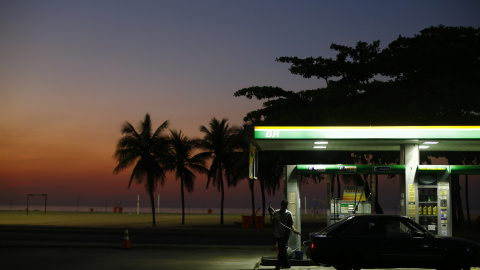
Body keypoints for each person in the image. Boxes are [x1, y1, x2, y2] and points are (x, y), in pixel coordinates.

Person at [268, 199, 298, 270]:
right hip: (277, 233)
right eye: (283, 206)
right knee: (282, 249)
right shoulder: (276, 212)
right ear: (281, 205)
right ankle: (287, 264)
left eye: (285, 206)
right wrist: (271, 215)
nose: (283, 207)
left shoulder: (288, 213)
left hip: (285, 234)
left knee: (281, 249)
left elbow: (291, 224)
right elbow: (272, 221)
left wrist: (294, 230)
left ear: (286, 206)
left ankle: (278, 264)